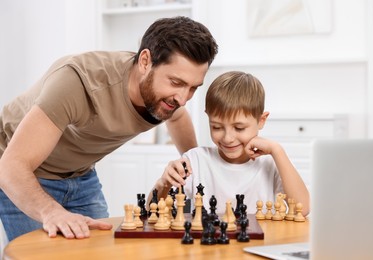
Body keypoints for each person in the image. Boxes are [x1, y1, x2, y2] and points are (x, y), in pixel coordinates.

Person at [0, 16, 218, 242]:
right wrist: (52, 212)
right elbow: (11, 166)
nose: (183, 99)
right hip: (21, 170)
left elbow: (178, 117)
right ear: (145, 61)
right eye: (176, 83)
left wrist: (195, 167)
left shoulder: (168, 99)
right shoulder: (77, 82)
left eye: (193, 88)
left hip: (81, 174)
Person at [148, 71, 310, 216]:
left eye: (239, 128)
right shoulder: (195, 160)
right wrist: (164, 183)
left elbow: (302, 209)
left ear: (261, 120)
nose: (228, 138)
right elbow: (150, 212)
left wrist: (277, 150)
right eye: (217, 127)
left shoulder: (271, 163)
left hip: (258, 247)